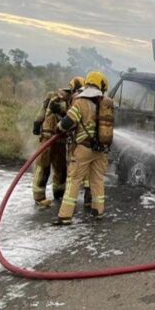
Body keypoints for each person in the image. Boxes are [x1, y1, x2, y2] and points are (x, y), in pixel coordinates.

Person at [54, 71, 115, 225]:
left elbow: (68, 122)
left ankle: (65, 216)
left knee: (74, 180)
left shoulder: (80, 102)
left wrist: (59, 128)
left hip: (83, 149)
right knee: (97, 181)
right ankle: (98, 211)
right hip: (100, 150)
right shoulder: (104, 103)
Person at [31, 76, 85, 207]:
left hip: (60, 138)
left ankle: (59, 194)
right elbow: (54, 111)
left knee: (60, 167)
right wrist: (38, 124)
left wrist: (37, 123)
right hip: (49, 136)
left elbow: (43, 113)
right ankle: (39, 197)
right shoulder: (62, 97)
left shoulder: (68, 98)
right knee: (43, 166)